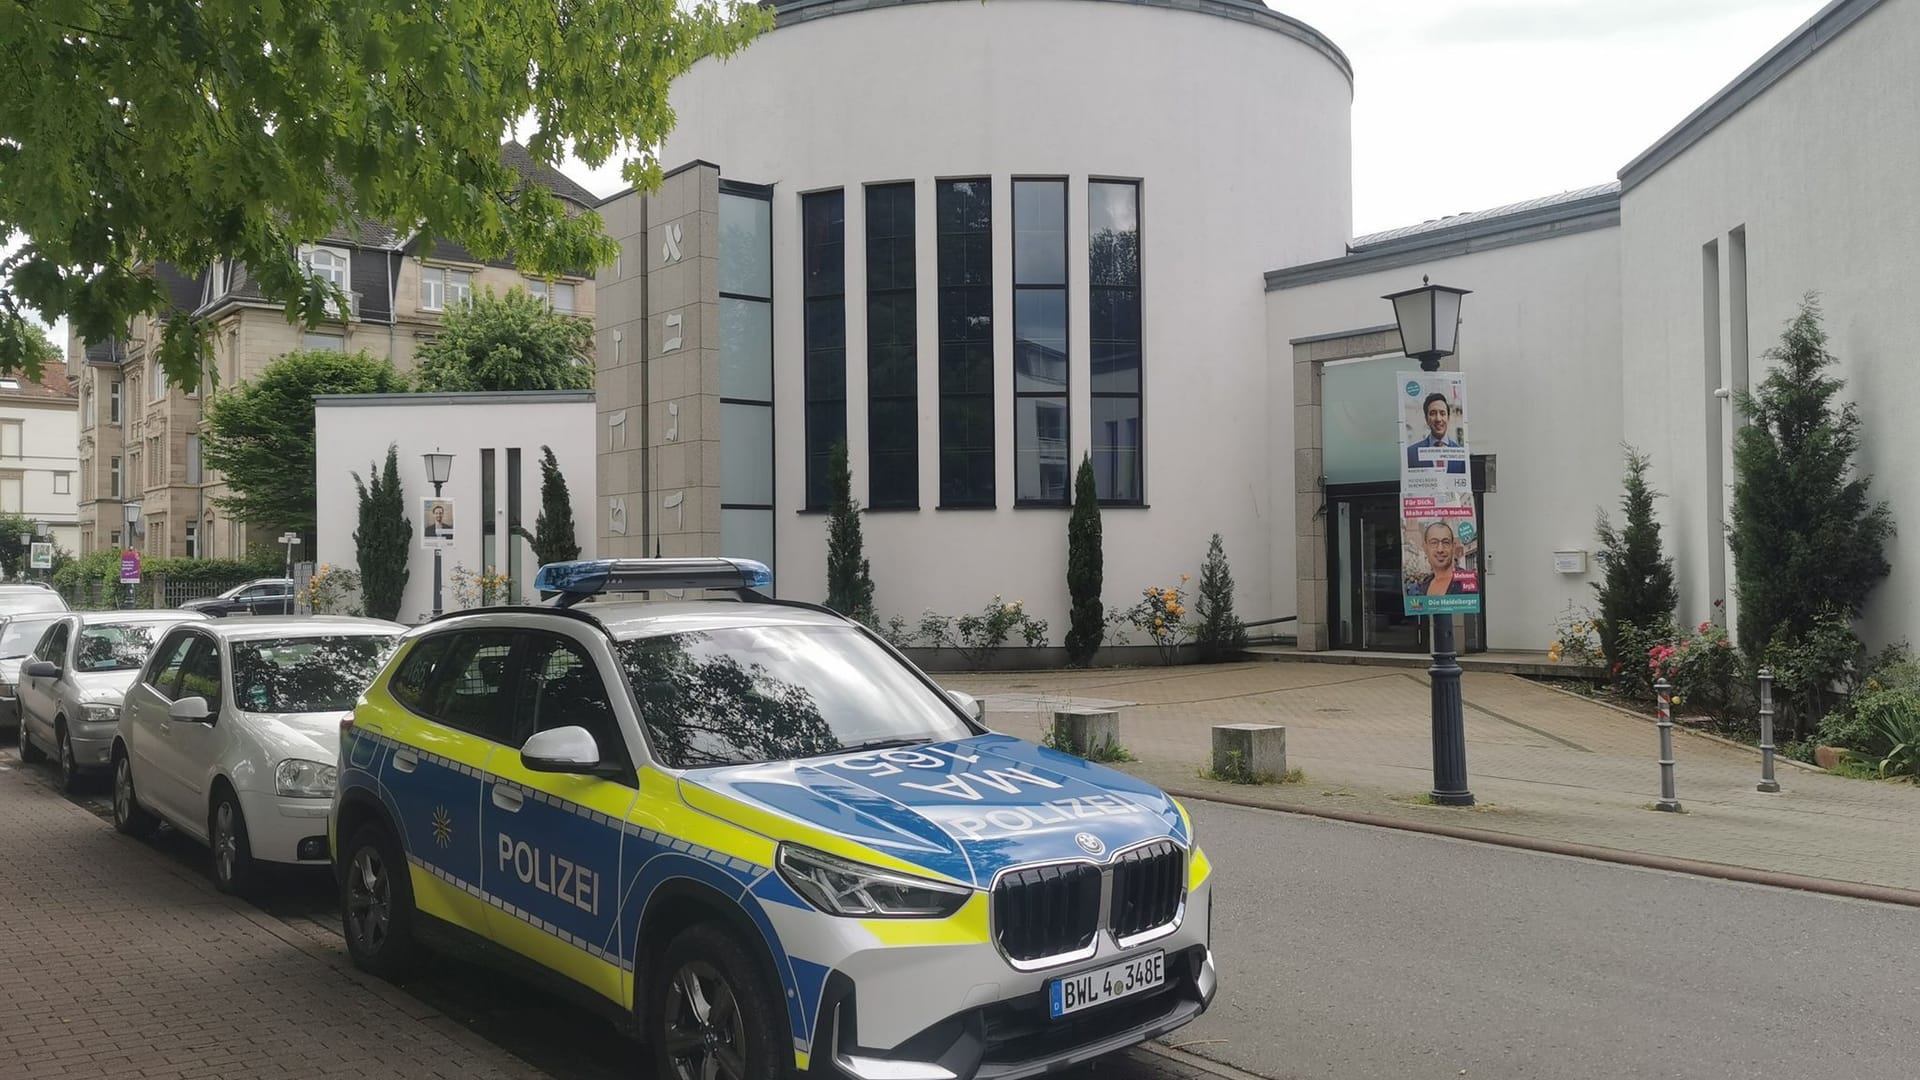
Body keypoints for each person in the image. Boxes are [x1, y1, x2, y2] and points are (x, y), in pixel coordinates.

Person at [1407, 521, 1477, 596]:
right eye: (1434, 543)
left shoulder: (1469, 581)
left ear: (1453, 547)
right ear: (1425, 548)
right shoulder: (1422, 586)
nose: (1440, 549)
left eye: (1446, 542)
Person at [1405, 391, 1466, 474]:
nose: (1438, 419)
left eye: (1442, 413)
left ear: (1448, 417)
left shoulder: (1461, 455)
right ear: (1426, 419)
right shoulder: (1411, 453)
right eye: (1433, 413)